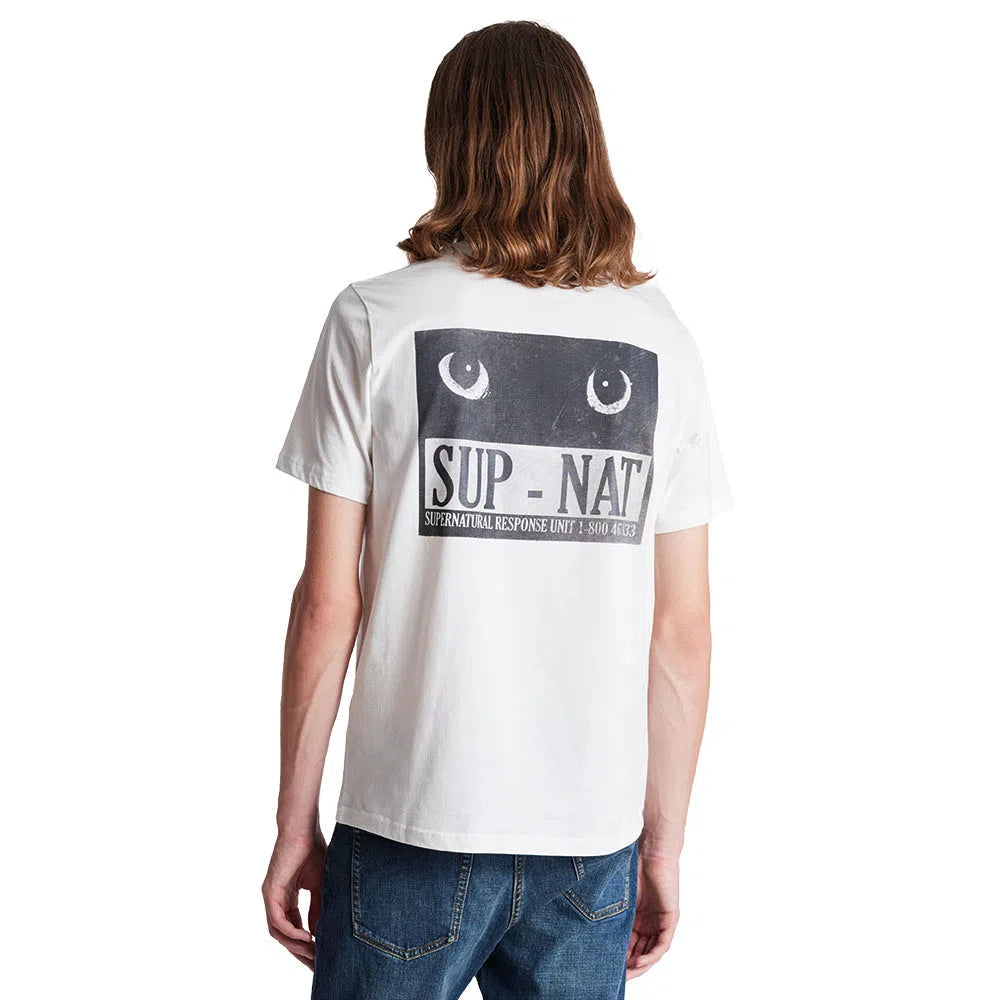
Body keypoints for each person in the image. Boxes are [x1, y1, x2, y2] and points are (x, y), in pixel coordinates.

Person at [263, 20, 731, 1000]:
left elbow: (328, 602)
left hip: (411, 820)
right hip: (589, 839)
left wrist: (292, 821)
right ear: (584, 142)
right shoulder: (660, 340)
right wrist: (664, 843)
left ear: (450, 142)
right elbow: (682, 627)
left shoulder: (376, 319)